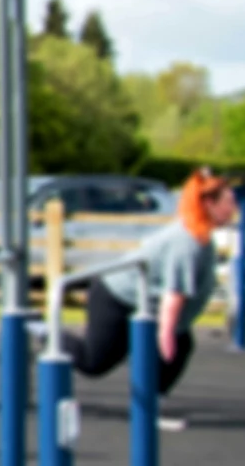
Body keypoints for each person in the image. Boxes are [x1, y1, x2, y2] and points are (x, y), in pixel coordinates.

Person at [62, 167, 233, 422]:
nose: (234, 208)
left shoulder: (200, 235)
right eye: (229, 202)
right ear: (209, 203)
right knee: (93, 363)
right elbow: (173, 296)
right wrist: (165, 334)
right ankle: (45, 332)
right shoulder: (186, 243)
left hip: (144, 303)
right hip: (116, 296)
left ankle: (149, 406)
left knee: (180, 347)